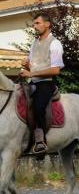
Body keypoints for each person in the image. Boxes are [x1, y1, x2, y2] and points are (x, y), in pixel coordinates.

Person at [20, 13, 64, 155]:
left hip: (46, 84)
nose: (35, 26)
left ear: (47, 24)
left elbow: (56, 70)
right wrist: (27, 66)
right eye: (34, 24)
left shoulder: (55, 43)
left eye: (38, 23)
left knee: (38, 106)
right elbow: (32, 68)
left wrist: (30, 73)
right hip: (32, 81)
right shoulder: (34, 43)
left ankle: (40, 141)